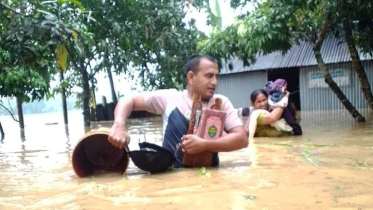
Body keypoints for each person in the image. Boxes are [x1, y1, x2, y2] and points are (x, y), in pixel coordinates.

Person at [108, 55, 248, 167]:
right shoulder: (170, 98)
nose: (214, 82)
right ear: (191, 77)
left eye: (216, 76)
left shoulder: (221, 103)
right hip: (173, 175)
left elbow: (242, 139)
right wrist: (119, 124)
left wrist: (205, 145)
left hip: (209, 178)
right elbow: (128, 99)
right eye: (209, 76)